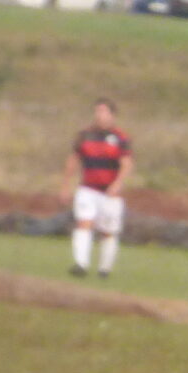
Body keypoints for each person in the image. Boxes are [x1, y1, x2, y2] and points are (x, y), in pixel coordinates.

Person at [63, 98, 131, 279]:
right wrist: (66, 185)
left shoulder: (120, 137)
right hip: (88, 189)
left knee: (108, 232)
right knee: (84, 223)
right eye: (97, 111)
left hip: (110, 193)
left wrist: (118, 183)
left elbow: (126, 164)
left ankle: (104, 269)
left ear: (112, 115)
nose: (99, 115)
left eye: (103, 111)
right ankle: (81, 264)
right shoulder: (84, 135)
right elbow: (73, 160)